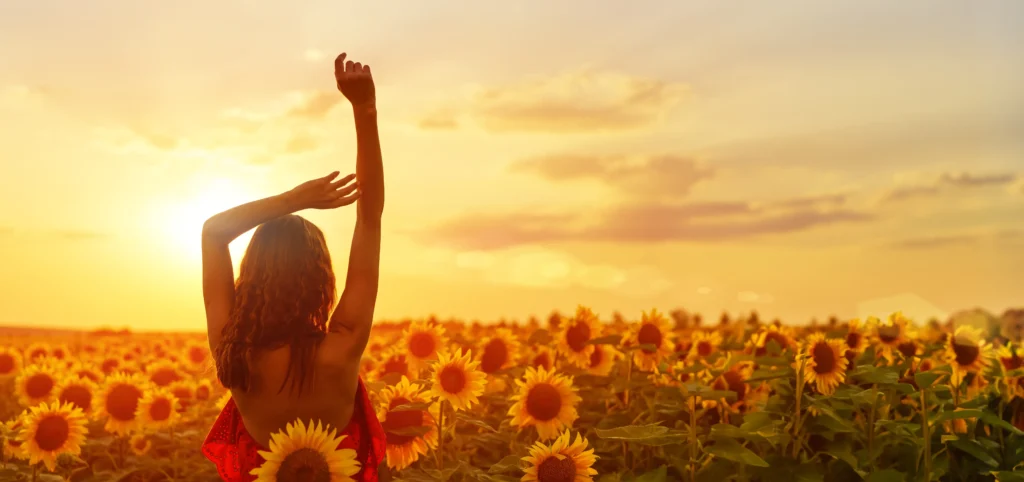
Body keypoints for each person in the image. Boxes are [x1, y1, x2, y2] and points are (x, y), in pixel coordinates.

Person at [200, 52, 390, 481]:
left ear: (250, 277)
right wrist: (365, 109)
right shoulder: (342, 347)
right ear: (320, 279)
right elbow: (370, 217)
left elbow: (213, 232)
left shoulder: (235, 356)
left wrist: (292, 200)